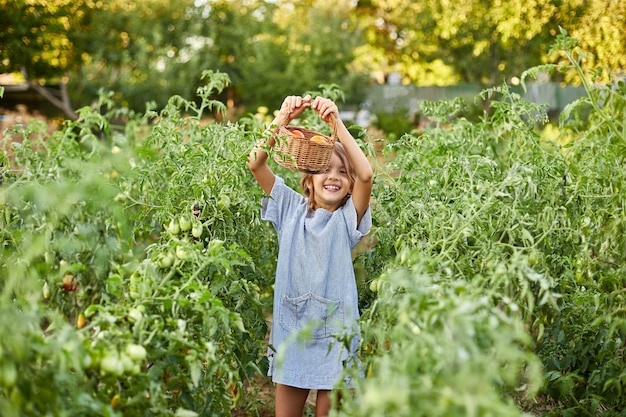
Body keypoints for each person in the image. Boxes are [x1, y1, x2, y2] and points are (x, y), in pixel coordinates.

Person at [247, 95, 373, 417]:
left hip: (336, 335)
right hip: (293, 331)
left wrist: (336, 125)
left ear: (348, 186)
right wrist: (282, 118)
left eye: (342, 173)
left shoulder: (347, 218)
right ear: (308, 180)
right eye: (325, 169)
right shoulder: (291, 209)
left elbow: (367, 174)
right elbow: (255, 163)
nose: (334, 176)